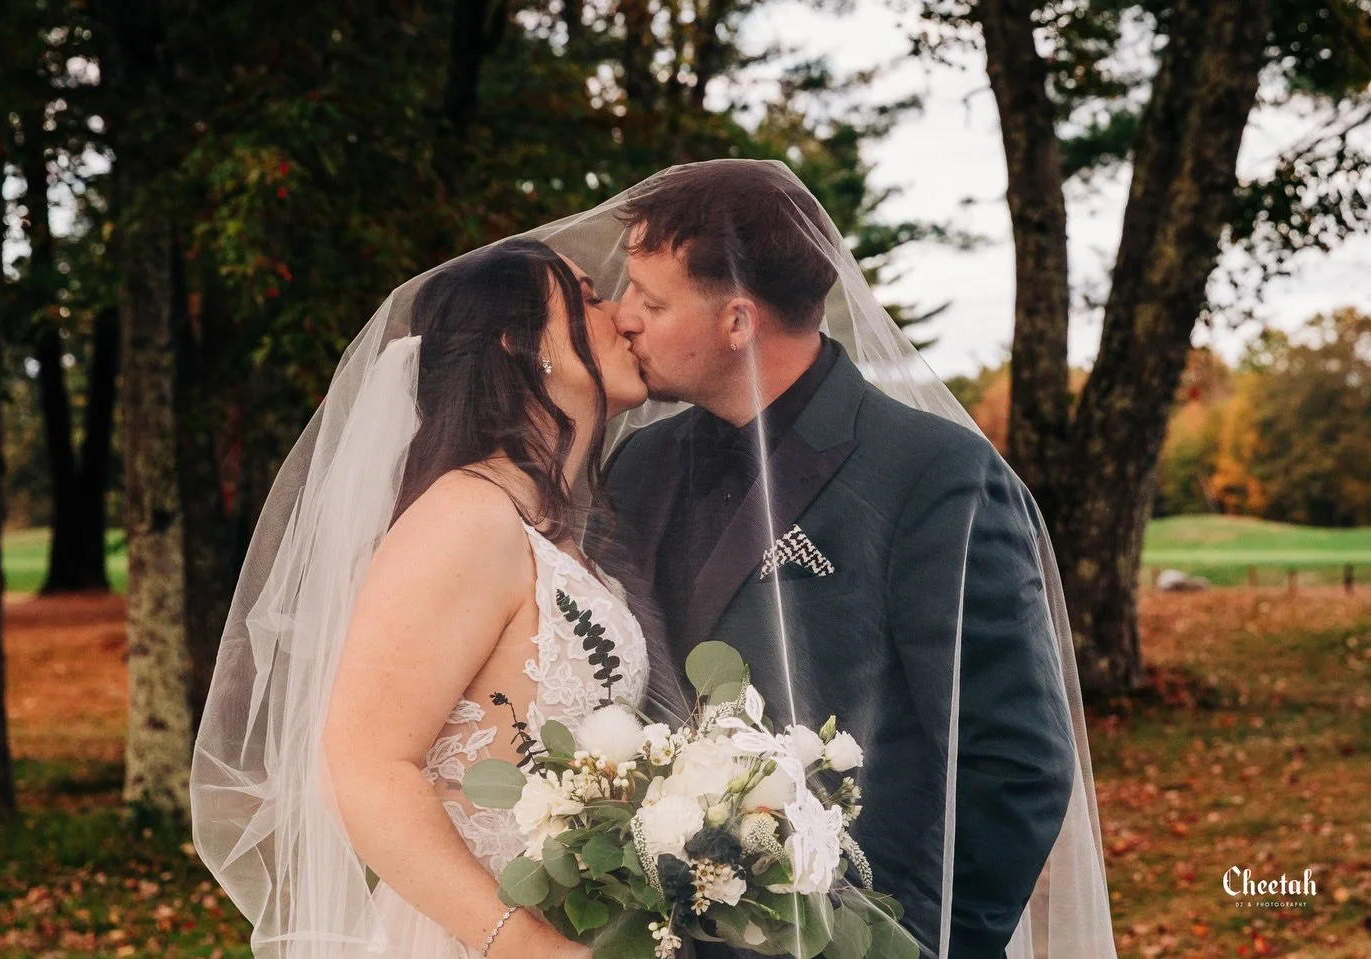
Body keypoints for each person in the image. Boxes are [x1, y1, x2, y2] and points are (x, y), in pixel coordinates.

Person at [595, 160, 1108, 959]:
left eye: (650, 301)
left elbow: (1015, 764)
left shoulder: (937, 475)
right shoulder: (634, 466)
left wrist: (920, 947)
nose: (621, 317)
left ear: (738, 321)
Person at [190, 238, 649, 959]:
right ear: (518, 338)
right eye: (588, 299)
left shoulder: (557, 539)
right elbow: (363, 766)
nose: (622, 316)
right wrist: (528, 946)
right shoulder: (466, 515)